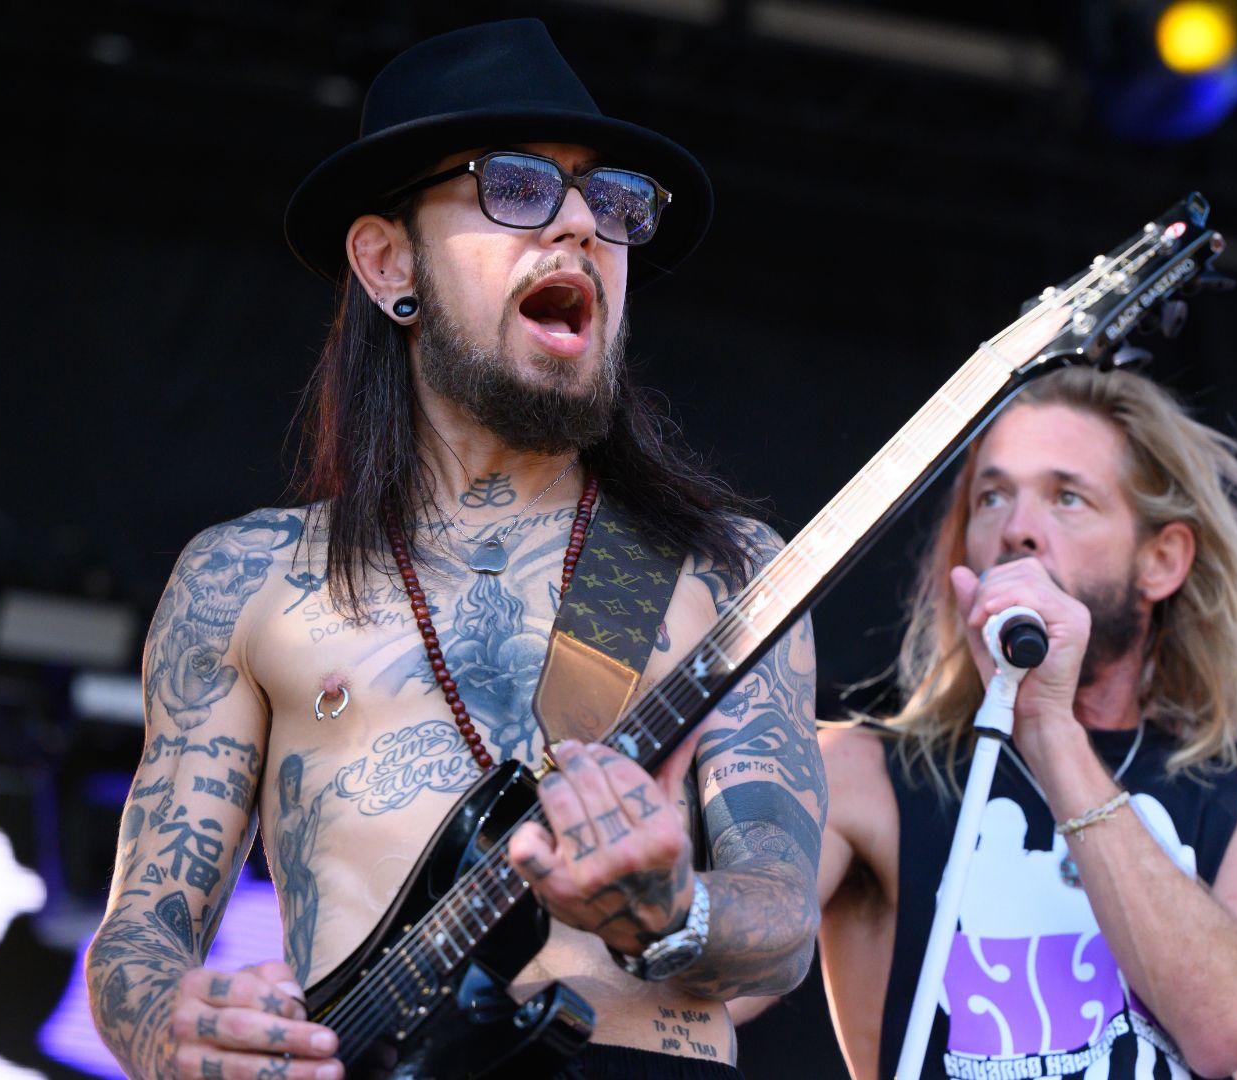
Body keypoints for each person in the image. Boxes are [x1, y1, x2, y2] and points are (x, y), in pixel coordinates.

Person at [87, 20, 824, 1080]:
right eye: (518, 188)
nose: (579, 226)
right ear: (390, 261)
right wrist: (174, 1029)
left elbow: (782, 921)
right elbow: (140, 935)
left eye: (611, 202)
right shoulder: (248, 580)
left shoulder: (712, 564)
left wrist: (677, 908)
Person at [738, 367, 1237, 1080]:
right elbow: (710, 990)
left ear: (1162, 559)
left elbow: (1229, 1028)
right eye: (992, 497)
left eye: (1068, 498)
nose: (1018, 530)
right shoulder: (859, 774)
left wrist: (1049, 731)